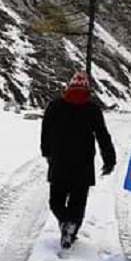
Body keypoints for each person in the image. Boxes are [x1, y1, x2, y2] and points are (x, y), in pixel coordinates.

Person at [40, 70, 116, 249]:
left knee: (56, 200)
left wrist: (46, 152)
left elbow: (46, 132)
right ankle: (71, 226)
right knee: (78, 202)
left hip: (59, 161)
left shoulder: (55, 106)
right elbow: (102, 136)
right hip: (83, 164)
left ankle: (65, 221)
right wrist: (109, 159)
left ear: (69, 86)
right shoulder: (92, 109)